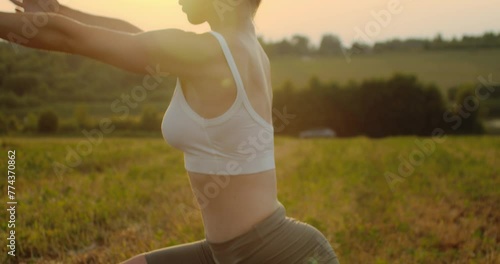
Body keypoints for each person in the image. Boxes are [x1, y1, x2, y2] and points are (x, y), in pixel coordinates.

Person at [1, 1, 340, 263]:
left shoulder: (210, 53)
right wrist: (58, 10)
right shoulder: (239, 45)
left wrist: (51, 20)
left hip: (273, 254)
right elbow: (135, 35)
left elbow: (69, 37)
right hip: (227, 253)